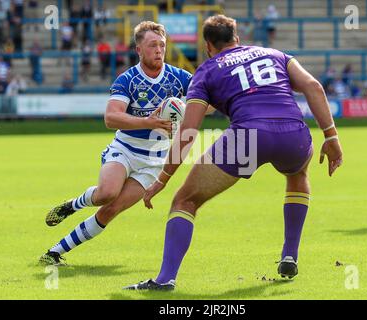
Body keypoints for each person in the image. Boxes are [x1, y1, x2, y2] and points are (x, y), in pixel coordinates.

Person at [126, 14, 343, 291]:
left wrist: (163, 179)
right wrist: (331, 136)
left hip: (247, 138)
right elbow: (313, 86)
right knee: (298, 173)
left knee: (185, 200)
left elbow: (189, 131)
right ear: (236, 38)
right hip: (293, 133)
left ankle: (165, 279)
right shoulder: (274, 54)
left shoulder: (206, 71)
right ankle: (289, 254)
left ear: (208, 46)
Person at [39, 21, 193, 266]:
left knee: (111, 210)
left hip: (154, 161)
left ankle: (55, 252)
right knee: (107, 193)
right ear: (138, 49)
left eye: (162, 45)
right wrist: (149, 122)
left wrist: (194, 110)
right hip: (125, 149)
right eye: (152, 45)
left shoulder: (180, 77)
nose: (159, 50)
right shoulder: (128, 79)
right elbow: (111, 118)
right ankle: (72, 205)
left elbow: (206, 101)